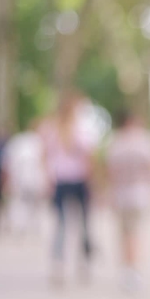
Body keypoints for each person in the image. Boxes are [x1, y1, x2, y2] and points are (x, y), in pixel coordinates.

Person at [104, 109, 150, 292]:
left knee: (124, 233)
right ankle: (133, 269)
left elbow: (110, 171)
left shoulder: (116, 142)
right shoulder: (146, 141)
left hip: (121, 194)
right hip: (140, 194)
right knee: (135, 233)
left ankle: (126, 268)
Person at [41, 93, 96, 285]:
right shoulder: (75, 129)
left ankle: (65, 263)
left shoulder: (57, 129)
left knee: (69, 224)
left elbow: (45, 157)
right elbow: (89, 157)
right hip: (72, 180)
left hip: (66, 180)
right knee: (76, 224)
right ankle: (75, 263)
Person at [1, 119, 49, 236]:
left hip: (21, 178)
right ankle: (31, 227)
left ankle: (20, 227)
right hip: (31, 178)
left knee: (20, 203)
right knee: (32, 204)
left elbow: (6, 162)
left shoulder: (17, 141)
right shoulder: (38, 142)